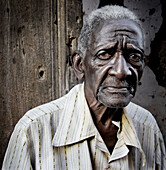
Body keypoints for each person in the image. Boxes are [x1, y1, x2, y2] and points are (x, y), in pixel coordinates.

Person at [2, 5, 166, 170]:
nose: (121, 71)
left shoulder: (147, 127)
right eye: (104, 55)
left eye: (134, 56)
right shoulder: (34, 130)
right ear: (80, 65)